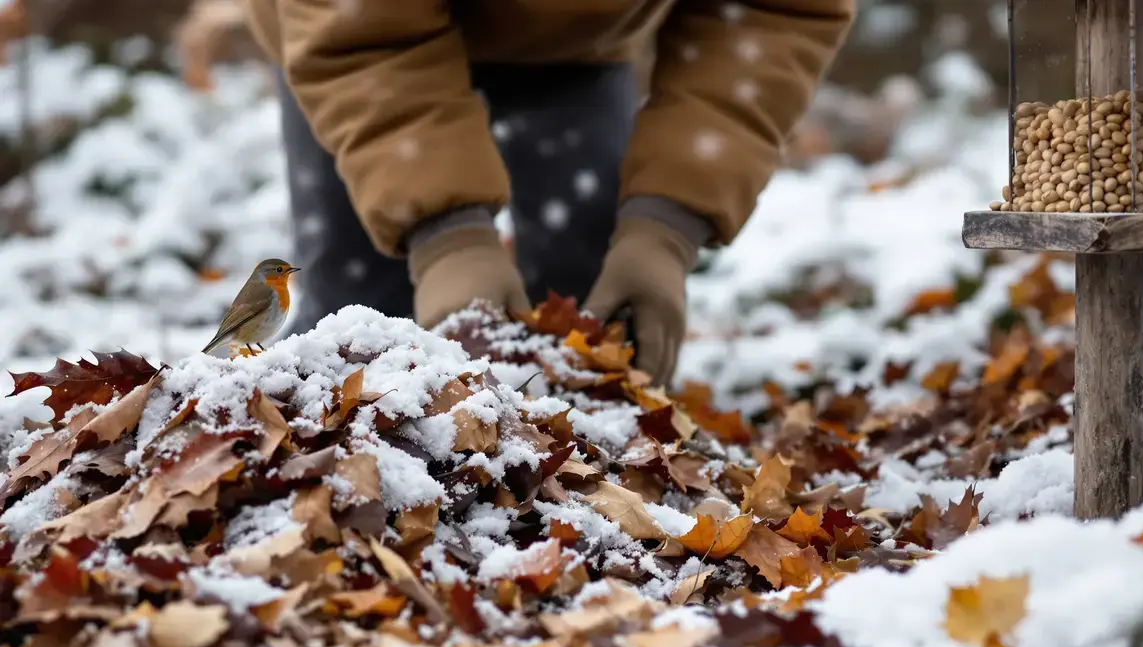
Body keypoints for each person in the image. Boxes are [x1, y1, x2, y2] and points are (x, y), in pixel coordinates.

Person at [243, 0, 856, 385]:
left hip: (578, 42)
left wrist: (666, 228)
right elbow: (361, 32)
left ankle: (575, 487)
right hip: (355, 35)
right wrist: (446, 236)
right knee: (363, 318)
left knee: (590, 303)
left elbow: (775, 11)